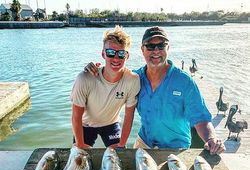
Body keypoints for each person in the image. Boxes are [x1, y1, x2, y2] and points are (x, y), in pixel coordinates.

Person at [85, 26, 225, 155]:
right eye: (150, 46)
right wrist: (94, 70)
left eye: (161, 46)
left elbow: (200, 118)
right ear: (142, 49)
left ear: (168, 48)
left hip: (176, 147)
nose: (156, 51)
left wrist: (211, 139)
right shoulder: (134, 78)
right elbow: (110, 80)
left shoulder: (185, 81)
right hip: (144, 142)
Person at [70, 25, 140, 149]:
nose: (116, 58)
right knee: (79, 157)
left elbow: (129, 117)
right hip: (86, 125)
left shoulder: (133, 80)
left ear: (127, 56)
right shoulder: (84, 78)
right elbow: (76, 116)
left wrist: (122, 145)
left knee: (119, 156)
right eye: (111, 53)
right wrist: (80, 145)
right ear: (103, 54)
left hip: (111, 124)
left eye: (121, 53)